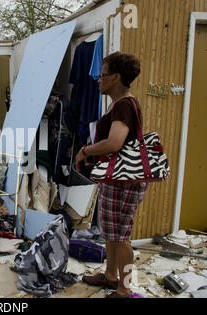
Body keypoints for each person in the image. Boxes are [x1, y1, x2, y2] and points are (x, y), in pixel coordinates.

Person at [75, 52, 149, 298]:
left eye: (103, 75)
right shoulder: (118, 104)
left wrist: (86, 151)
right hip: (115, 178)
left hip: (125, 181)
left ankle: (124, 288)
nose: (98, 80)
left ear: (116, 77)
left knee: (122, 236)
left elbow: (115, 142)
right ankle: (110, 276)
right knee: (111, 232)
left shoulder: (125, 105)